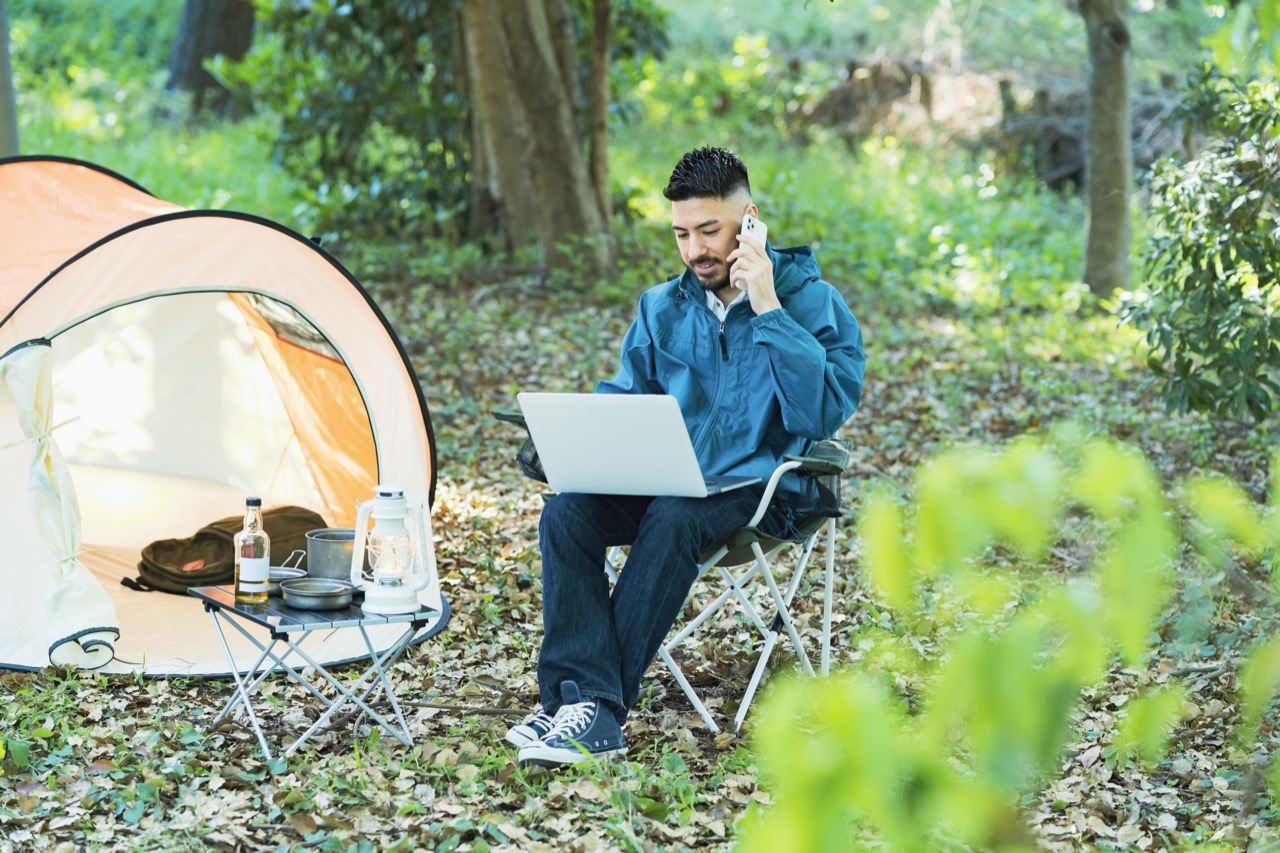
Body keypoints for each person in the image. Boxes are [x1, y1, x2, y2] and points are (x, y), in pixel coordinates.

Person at [510, 146, 865, 768]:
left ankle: (591, 709)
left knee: (674, 515)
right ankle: (577, 702)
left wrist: (768, 308)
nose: (695, 250)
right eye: (681, 234)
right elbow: (627, 399)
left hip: (761, 488)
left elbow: (817, 415)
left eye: (709, 231)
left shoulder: (812, 302)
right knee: (566, 514)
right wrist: (566, 443)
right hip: (667, 476)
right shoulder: (661, 308)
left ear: (749, 221)